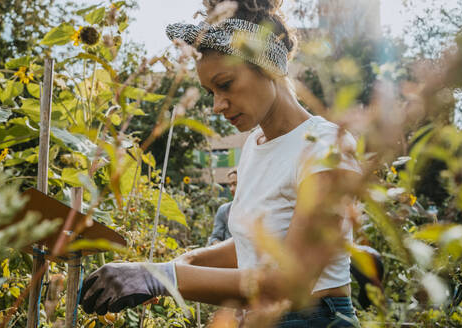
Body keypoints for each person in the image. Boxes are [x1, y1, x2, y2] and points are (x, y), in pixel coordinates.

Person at [80, 1, 363, 326]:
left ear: (267, 66)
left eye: (225, 84)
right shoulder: (255, 146)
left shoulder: (326, 146)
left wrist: (164, 276)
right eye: (209, 91)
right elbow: (258, 243)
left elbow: (291, 283)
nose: (217, 105)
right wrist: (188, 259)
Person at [208, 168, 237, 246]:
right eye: (230, 185)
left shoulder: (256, 210)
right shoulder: (224, 210)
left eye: (235, 184)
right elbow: (215, 238)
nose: (231, 189)